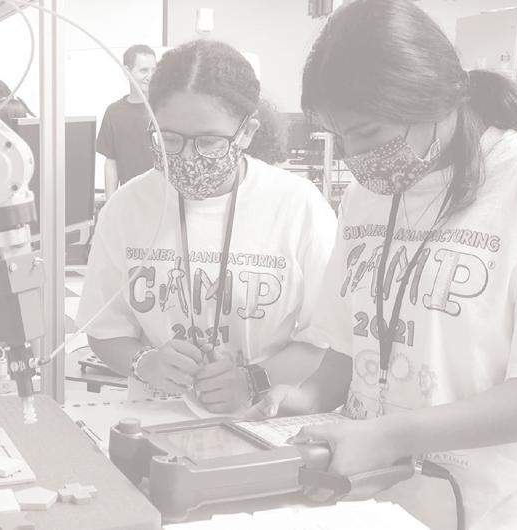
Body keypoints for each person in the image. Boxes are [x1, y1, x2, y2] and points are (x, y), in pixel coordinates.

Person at [250, 1, 517, 528]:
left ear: (434, 97)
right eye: (339, 136)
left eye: (368, 132)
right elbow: (350, 348)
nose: (354, 156)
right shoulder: (367, 196)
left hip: (493, 510)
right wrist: (306, 397)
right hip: (375, 503)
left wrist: (389, 435)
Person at [77, 39, 337, 414]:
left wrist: (253, 380)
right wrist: (146, 363)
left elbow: (323, 342)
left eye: (209, 142)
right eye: (169, 138)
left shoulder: (298, 206)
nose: (186, 156)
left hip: (261, 419)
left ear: (247, 132)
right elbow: (104, 330)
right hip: (155, 417)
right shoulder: (127, 207)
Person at [97, 45, 158, 199]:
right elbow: (111, 162)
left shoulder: (165, 109)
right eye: (144, 70)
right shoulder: (114, 112)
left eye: (154, 70)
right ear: (127, 72)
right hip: (130, 200)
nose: (150, 76)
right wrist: (110, 204)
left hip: (162, 199)